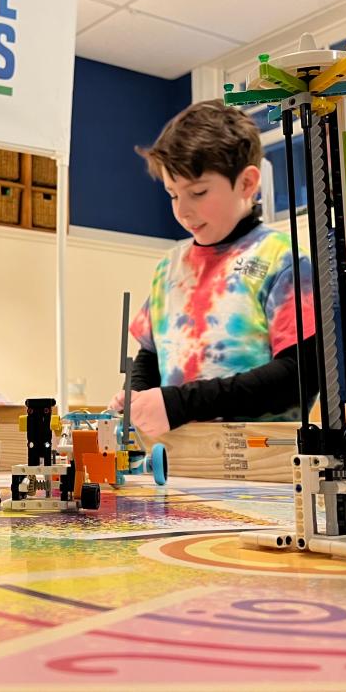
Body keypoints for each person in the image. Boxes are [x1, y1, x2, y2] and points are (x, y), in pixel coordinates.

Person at [107, 99, 318, 438]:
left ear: (248, 183)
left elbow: (300, 374)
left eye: (198, 192)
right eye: (173, 195)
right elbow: (149, 354)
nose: (183, 211)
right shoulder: (169, 268)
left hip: (261, 459)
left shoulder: (282, 259)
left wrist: (179, 404)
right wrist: (140, 397)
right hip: (181, 457)